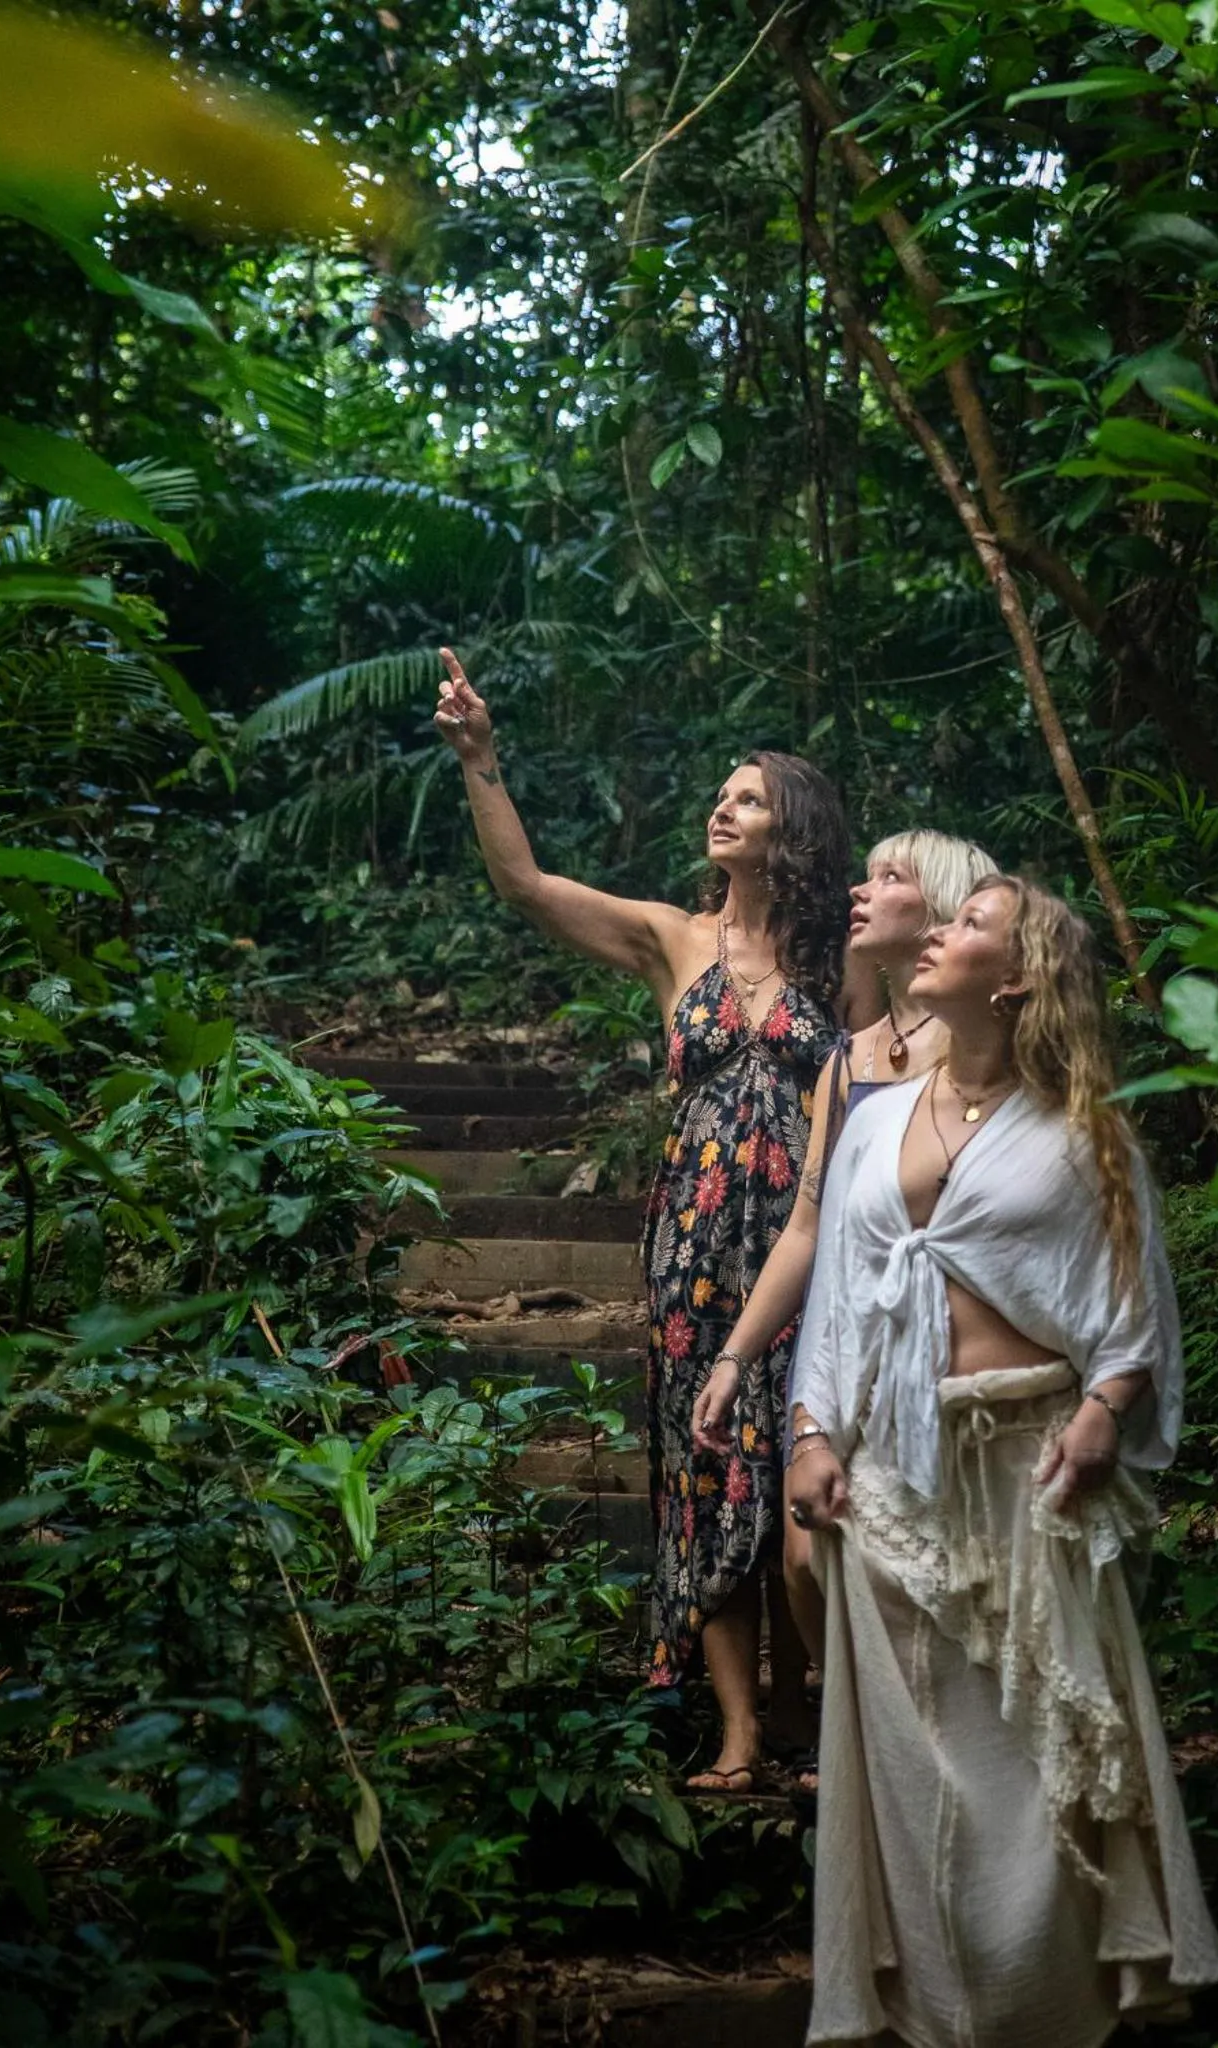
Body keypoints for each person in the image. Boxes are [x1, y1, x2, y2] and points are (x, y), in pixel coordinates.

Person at [786, 875, 1218, 2046]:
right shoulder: (878, 1117)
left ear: (1020, 974)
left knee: (1040, 1768)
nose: (937, 931)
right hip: (889, 1477)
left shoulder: (1085, 1127)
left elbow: (1135, 1309)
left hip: (1030, 1468)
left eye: (970, 922)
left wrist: (1108, 1404)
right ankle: (940, 2019)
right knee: (913, 1769)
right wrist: (810, 1428)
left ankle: (1046, 2014)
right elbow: (838, 1293)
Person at [433, 649, 847, 1792]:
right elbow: (525, 885)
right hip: (693, 1253)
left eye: (749, 793)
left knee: (800, 1469)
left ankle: (808, 1716)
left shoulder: (840, 964)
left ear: (793, 826)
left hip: (816, 1250)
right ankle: (738, 1734)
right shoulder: (673, 937)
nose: (724, 803)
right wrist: (482, 758)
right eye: (721, 789)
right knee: (711, 1471)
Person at [690, 829, 998, 1784]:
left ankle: (933, 1754)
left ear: (944, 906)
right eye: (864, 872)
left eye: (890, 876)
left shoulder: (987, 1044)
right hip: (845, 1340)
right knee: (805, 1557)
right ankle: (872, 1734)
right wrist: (738, 1355)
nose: (861, 891)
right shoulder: (847, 1058)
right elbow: (807, 1228)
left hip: (954, 1346)